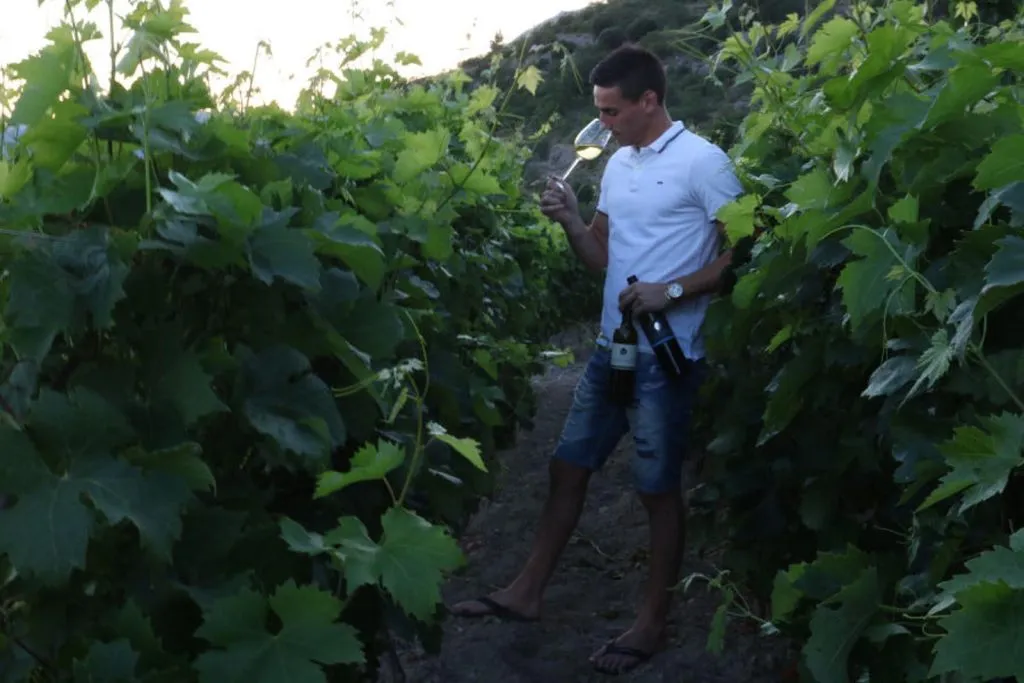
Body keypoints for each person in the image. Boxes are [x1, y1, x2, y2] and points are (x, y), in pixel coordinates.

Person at [449, 43, 743, 676]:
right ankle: (525, 593)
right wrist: (571, 222)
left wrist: (671, 290)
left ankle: (652, 622)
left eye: (611, 112)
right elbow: (601, 256)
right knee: (568, 466)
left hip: (669, 355)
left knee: (657, 488)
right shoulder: (618, 164)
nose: (602, 124)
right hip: (613, 347)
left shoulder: (704, 162)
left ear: (649, 101)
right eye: (598, 113)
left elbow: (742, 256)